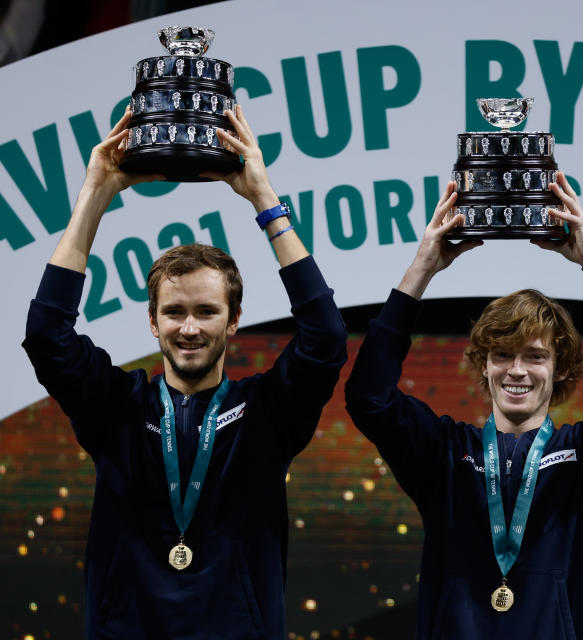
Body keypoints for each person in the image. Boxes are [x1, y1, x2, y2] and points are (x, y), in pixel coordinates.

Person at [22, 105, 347, 638]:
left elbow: (327, 338)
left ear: (235, 319)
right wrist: (95, 194)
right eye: (174, 312)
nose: (189, 328)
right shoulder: (117, 409)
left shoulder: (267, 414)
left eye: (206, 311)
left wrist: (264, 200)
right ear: (152, 322)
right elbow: (46, 337)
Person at [344, 174, 583, 639]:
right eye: (502, 355)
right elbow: (368, 396)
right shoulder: (444, 454)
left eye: (535, 356)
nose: (517, 370)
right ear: (483, 365)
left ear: (561, 368)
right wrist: (421, 270)